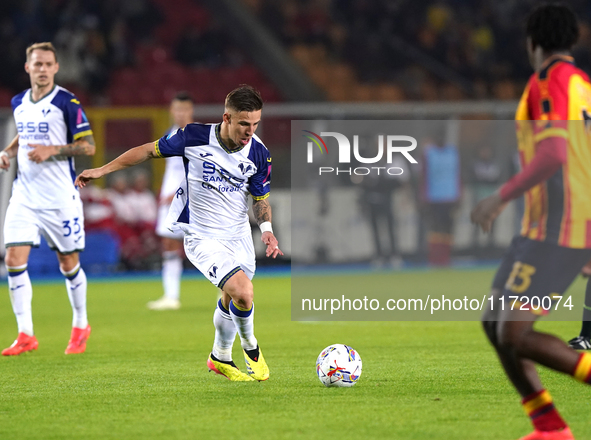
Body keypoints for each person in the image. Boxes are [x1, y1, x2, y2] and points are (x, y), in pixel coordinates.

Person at [75, 85, 282, 382]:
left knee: (232, 297)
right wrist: (102, 171)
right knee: (244, 292)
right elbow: (147, 151)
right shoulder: (194, 137)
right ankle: (250, 346)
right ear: (226, 118)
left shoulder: (260, 153)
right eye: (244, 124)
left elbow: (260, 199)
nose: (250, 131)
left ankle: (220, 357)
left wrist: (267, 230)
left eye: (255, 124)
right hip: (202, 236)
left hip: (238, 236)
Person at [471, 5, 591, 440]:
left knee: (514, 333)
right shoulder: (583, 85)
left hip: (561, 226)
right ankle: (549, 427)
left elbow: (555, 154)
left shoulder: (548, 81)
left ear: (532, 43)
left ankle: (551, 426)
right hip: (545, 228)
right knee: (494, 324)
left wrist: (500, 197)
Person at [0, 42, 95, 356]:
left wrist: (52, 150)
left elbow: (88, 146)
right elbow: (25, 134)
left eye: (47, 64)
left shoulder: (67, 102)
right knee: (13, 259)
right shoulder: (19, 102)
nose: (42, 69)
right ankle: (26, 334)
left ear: (56, 68)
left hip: (59, 198)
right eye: (36, 64)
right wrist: (9, 151)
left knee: (68, 263)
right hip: (24, 194)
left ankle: (81, 324)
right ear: (28, 68)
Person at [147, 92, 195, 310]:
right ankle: (171, 296)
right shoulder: (171, 133)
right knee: (169, 245)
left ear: (191, 111)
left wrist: (178, 191)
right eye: (177, 109)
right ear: (171, 111)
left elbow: (198, 170)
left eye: (184, 109)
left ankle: (227, 294)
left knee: (207, 246)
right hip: (170, 201)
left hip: (191, 200)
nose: (180, 113)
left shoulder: (197, 136)